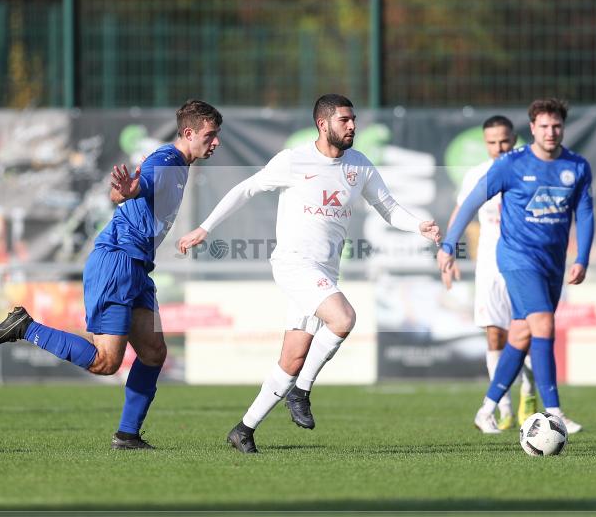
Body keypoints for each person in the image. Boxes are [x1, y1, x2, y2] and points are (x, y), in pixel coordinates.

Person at [178, 94, 441, 453]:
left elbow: (388, 208)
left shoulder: (360, 165)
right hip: (294, 264)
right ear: (323, 124)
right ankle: (301, 391)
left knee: (292, 359)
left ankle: (244, 429)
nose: (352, 126)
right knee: (343, 318)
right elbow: (246, 188)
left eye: (353, 119)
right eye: (344, 120)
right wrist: (204, 228)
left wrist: (418, 226)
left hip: (325, 272)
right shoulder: (294, 160)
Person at [0, 99, 223, 449]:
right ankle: (24, 327)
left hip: (137, 267)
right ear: (189, 133)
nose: (215, 142)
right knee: (105, 362)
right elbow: (135, 187)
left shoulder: (178, 164)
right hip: (117, 263)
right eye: (210, 135)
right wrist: (130, 190)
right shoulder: (166, 160)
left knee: (154, 353)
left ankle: (127, 435)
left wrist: (125, 191)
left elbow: (119, 193)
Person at [438, 98, 593, 435]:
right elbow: (470, 203)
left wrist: (581, 258)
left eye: (556, 126)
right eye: (544, 126)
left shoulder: (577, 166)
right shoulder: (511, 165)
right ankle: (554, 412)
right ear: (533, 128)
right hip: (516, 258)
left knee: (521, 332)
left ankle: (487, 409)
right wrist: (448, 245)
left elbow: (584, 213)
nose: (551, 132)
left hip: (552, 261)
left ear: (563, 128)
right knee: (543, 323)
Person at [445, 116, 536, 430]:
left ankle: (529, 392)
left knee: (528, 332)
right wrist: (448, 250)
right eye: (492, 143)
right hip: (489, 263)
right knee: (495, 333)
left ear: (515, 140)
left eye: (505, 141)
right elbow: (462, 211)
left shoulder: (531, 171)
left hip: (525, 261)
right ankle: (504, 407)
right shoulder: (477, 174)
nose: (499, 148)